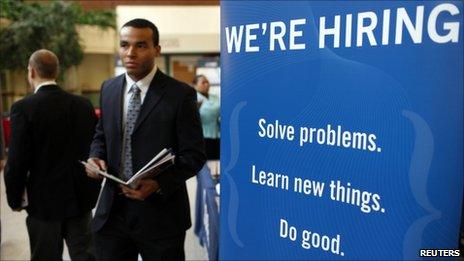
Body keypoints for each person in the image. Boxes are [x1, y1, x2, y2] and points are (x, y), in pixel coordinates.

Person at [85, 18, 205, 261]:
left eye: (140, 45)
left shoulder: (180, 94)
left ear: (156, 50)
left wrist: (159, 183)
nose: (130, 52)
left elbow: (194, 155)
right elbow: (101, 134)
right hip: (113, 213)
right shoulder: (109, 88)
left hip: (161, 214)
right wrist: (95, 156)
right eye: (124, 45)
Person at [4, 49, 100, 261]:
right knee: (86, 257)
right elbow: (95, 147)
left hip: (43, 204)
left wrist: (15, 198)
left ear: (31, 71)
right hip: (79, 200)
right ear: (56, 71)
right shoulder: (82, 105)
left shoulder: (23, 108)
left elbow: (17, 161)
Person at [193, 75, 220, 163]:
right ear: (195, 85)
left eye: (207, 82)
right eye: (203, 82)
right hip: (202, 137)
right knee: (205, 163)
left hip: (217, 135)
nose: (206, 84)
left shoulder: (215, 97)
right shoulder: (192, 99)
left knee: (217, 161)